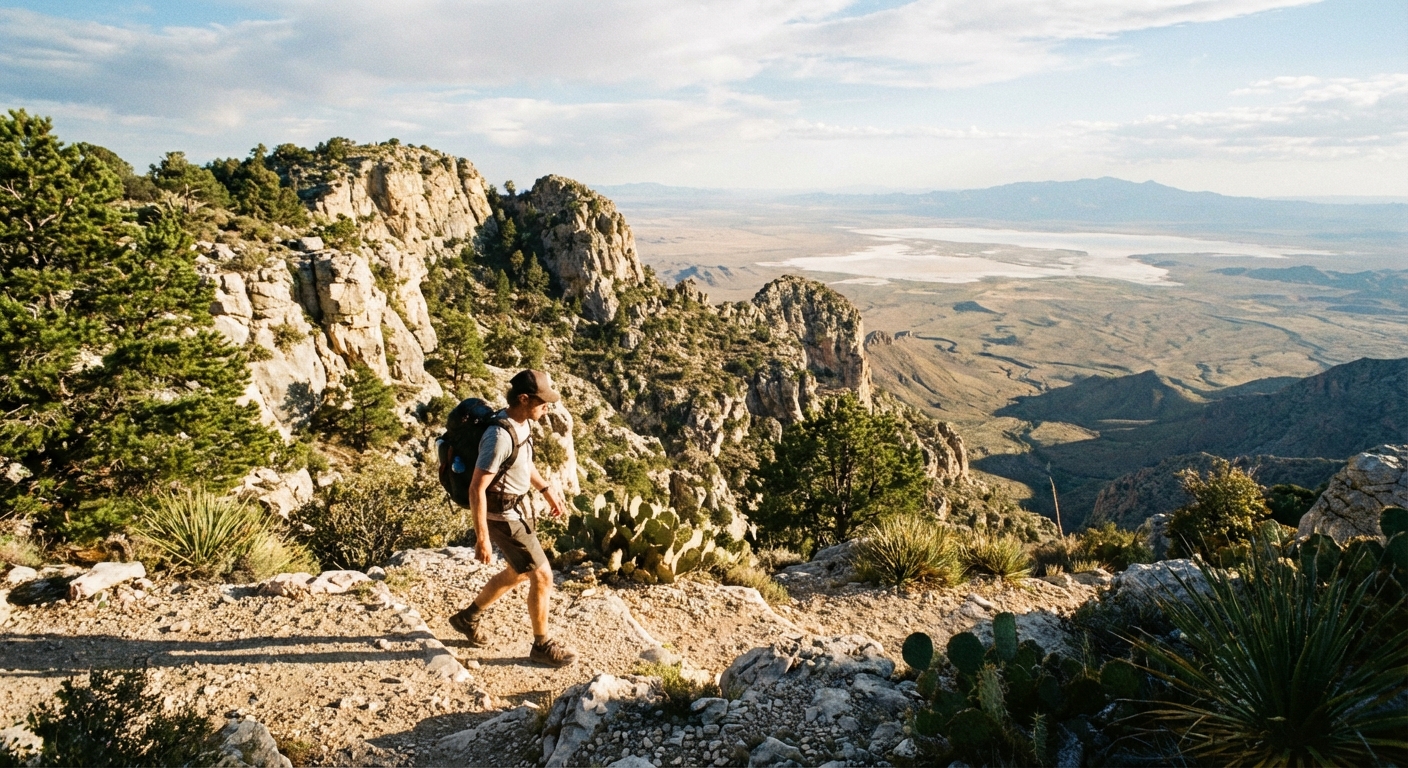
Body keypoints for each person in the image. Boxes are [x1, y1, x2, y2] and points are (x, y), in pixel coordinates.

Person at [447, 369, 578, 667]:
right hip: (503, 514)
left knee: (520, 571)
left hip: (514, 509)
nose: (548, 407)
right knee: (542, 574)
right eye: (542, 402)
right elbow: (477, 487)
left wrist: (545, 488)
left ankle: (468, 618)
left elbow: (522, 461)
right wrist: (482, 539)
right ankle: (541, 645)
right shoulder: (498, 436)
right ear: (523, 399)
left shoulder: (521, 425)